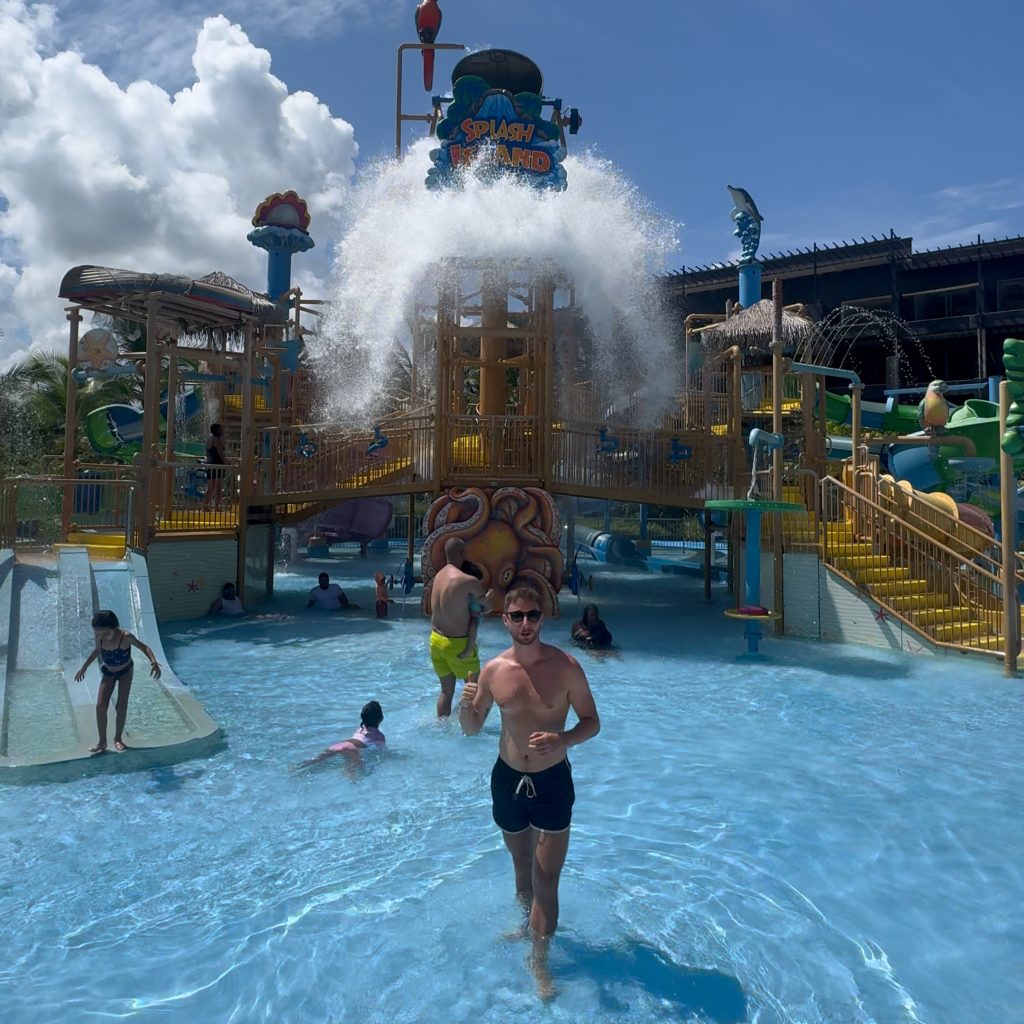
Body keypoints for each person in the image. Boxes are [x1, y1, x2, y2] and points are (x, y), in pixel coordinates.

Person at [459, 586, 600, 998]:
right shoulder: (493, 670)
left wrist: (563, 740)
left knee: (546, 878)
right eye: (517, 616)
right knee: (522, 868)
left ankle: (540, 964)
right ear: (504, 619)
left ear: (544, 617)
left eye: (532, 615)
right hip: (507, 780)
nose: (525, 624)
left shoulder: (567, 666)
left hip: (552, 780)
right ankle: (526, 926)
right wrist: (467, 707)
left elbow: (592, 721)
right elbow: (471, 729)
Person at [74, 609, 162, 753]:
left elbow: (144, 647)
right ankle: (102, 742)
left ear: (115, 628)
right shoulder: (100, 637)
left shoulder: (125, 637)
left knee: (121, 706)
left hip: (125, 671)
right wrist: (84, 668)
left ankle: (118, 739)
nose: (102, 637)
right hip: (108, 671)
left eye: (106, 633)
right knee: (100, 706)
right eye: (98, 634)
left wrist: (154, 662)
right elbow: (97, 651)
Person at [428, 537, 491, 717]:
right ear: (462, 553)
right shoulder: (467, 580)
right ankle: (471, 729)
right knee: (476, 691)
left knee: (446, 692)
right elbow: (488, 606)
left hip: (435, 641)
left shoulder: (438, 576)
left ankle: (441, 731)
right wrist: (490, 596)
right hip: (459, 644)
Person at [299, 701, 386, 767]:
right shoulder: (379, 735)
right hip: (351, 749)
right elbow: (379, 752)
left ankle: (296, 768)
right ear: (381, 718)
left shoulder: (359, 729)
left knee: (315, 761)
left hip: (340, 745)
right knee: (353, 770)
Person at [202, 422, 227, 509]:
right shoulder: (216, 439)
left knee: (211, 487)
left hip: (209, 464)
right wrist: (226, 462)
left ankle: (205, 505)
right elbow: (220, 453)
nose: (222, 430)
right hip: (217, 464)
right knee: (218, 487)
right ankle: (217, 506)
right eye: (221, 429)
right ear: (217, 430)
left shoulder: (209, 439)